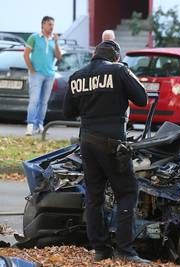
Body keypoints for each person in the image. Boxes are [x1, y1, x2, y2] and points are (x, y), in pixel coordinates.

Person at [63, 40, 149, 263]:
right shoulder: (119, 70)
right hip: (112, 144)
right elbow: (142, 99)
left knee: (94, 196)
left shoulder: (77, 76)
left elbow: (67, 111)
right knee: (127, 192)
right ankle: (126, 250)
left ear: (94, 55)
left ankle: (100, 249)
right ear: (115, 57)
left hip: (87, 142)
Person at [23, 16, 62, 136]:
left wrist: (56, 42)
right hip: (37, 74)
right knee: (34, 100)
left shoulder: (53, 40)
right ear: (43, 24)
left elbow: (59, 56)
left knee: (44, 102)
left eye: (53, 25)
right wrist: (31, 69)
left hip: (50, 75)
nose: (52, 27)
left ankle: (39, 125)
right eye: (49, 24)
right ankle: (30, 125)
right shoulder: (34, 37)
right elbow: (26, 54)